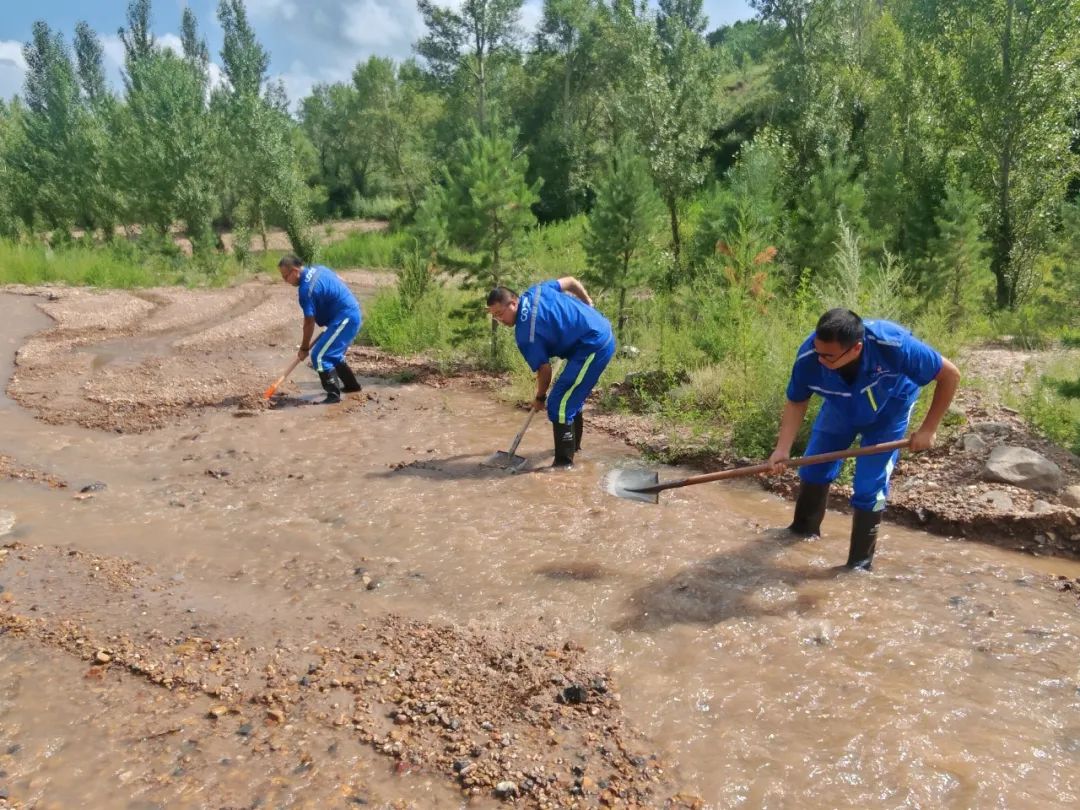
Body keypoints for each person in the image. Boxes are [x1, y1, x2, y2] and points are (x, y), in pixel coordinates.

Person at [766, 308, 960, 570]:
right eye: (817, 350)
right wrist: (782, 448)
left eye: (829, 356)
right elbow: (796, 401)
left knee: (869, 486)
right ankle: (802, 533)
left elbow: (950, 375)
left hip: (889, 411)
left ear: (856, 348)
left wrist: (929, 429)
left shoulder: (894, 345)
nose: (820, 360)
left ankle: (858, 565)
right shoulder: (810, 356)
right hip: (840, 408)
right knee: (812, 468)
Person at [487, 277, 615, 467]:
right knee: (569, 399)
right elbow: (571, 281)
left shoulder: (526, 335)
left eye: (500, 314)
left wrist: (539, 398)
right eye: (494, 316)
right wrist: (588, 302)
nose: (499, 320)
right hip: (593, 331)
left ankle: (563, 466)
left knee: (557, 404)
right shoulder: (535, 291)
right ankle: (574, 450)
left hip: (594, 346)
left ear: (513, 303)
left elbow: (544, 370)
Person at [278, 254, 363, 404]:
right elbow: (339, 279)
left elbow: (309, 322)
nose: (285, 281)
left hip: (345, 317)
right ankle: (352, 386)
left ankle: (333, 396)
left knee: (319, 355)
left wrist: (304, 348)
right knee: (332, 353)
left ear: (295, 271)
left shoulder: (305, 291)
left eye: (286, 277)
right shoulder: (319, 268)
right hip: (349, 312)